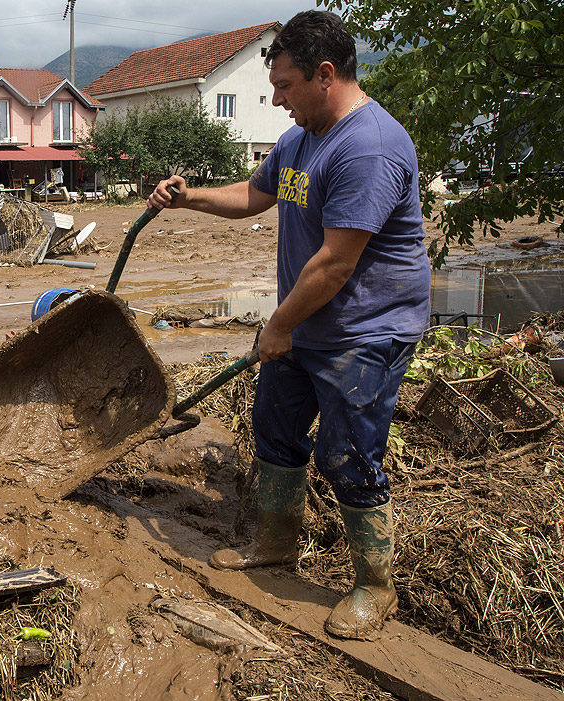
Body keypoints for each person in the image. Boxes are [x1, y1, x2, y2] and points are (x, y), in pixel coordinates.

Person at [149, 10, 431, 640]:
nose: (276, 100)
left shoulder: (369, 147)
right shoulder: (301, 137)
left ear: (325, 75)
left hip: (367, 330)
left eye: (284, 86)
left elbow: (333, 265)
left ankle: (374, 585)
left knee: (347, 451)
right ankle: (276, 544)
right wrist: (186, 196)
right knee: (275, 432)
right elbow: (253, 196)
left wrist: (275, 327)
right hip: (305, 325)